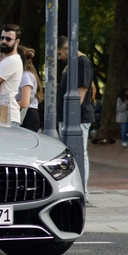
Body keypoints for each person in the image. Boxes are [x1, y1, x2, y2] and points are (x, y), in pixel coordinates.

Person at [56, 35, 94, 200]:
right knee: (71, 154)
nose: (59, 58)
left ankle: (82, 191)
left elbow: (81, 92)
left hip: (78, 118)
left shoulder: (82, 62)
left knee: (79, 153)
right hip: (69, 117)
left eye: (59, 54)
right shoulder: (71, 64)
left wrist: (71, 117)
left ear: (66, 48)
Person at [15, 45, 42, 132]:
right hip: (27, 114)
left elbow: (24, 102)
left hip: (28, 116)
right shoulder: (26, 74)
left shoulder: (25, 76)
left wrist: (9, 105)